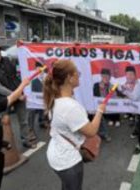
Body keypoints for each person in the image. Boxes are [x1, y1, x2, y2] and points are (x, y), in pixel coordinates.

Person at [44, 60, 106, 190]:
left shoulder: (55, 98)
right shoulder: (70, 106)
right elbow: (91, 131)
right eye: (77, 73)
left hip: (57, 154)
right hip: (68, 161)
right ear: (69, 78)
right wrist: (100, 111)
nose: (79, 75)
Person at [0, 43, 36, 148]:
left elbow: (23, 63)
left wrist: (22, 46)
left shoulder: (9, 60)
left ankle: (26, 140)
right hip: (3, 98)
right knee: (3, 121)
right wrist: (16, 95)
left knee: (24, 120)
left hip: (19, 93)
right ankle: (4, 144)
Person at [93, 68, 114, 142]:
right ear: (101, 76)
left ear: (110, 77)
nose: (106, 78)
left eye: (107, 77)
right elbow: (93, 96)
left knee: (101, 119)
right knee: (100, 118)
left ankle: (103, 133)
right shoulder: (96, 85)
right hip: (98, 106)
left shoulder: (111, 86)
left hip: (108, 106)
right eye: (104, 76)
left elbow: (115, 97)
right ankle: (103, 133)